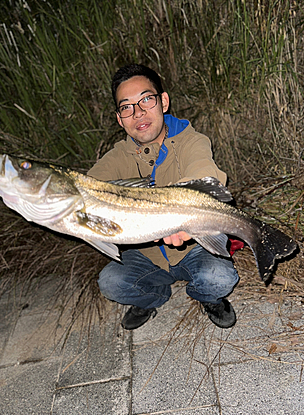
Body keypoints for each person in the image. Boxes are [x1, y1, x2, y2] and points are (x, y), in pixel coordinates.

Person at [88, 64, 240, 330]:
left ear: (164, 101)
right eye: (127, 107)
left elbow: (203, 173)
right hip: (144, 254)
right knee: (111, 283)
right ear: (119, 118)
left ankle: (208, 298)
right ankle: (152, 297)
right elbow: (87, 189)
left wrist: (179, 220)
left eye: (146, 99)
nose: (138, 113)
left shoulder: (191, 140)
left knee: (218, 278)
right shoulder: (116, 158)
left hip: (196, 247)